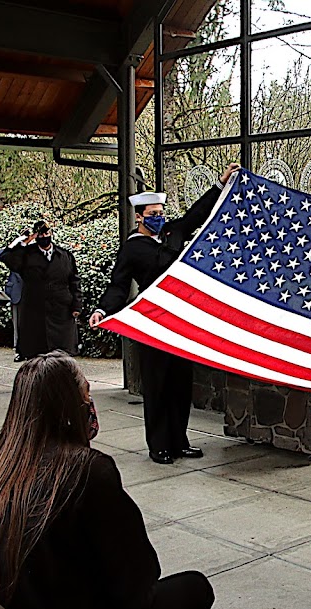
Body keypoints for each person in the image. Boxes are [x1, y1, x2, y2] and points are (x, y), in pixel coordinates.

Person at [0, 352, 214, 609]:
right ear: (68, 406)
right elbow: (137, 587)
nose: (91, 406)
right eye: (86, 394)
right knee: (194, 590)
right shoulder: (87, 472)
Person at [90, 163, 240, 464]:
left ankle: (179, 440)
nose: (159, 219)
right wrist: (102, 309)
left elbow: (198, 214)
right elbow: (119, 285)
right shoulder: (132, 249)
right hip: (152, 323)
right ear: (139, 218)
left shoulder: (174, 232)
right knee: (157, 386)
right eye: (153, 216)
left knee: (180, 384)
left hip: (180, 322)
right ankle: (159, 445)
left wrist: (220, 184)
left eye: (161, 214)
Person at [0, 220, 81, 359]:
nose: (44, 237)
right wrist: (23, 242)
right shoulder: (26, 255)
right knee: (37, 357)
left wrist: (76, 306)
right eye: (40, 235)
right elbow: (4, 257)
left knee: (62, 356)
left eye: (46, 233)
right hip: (35, 313)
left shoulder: (65, 256)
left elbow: (74, 281)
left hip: (61, 313)